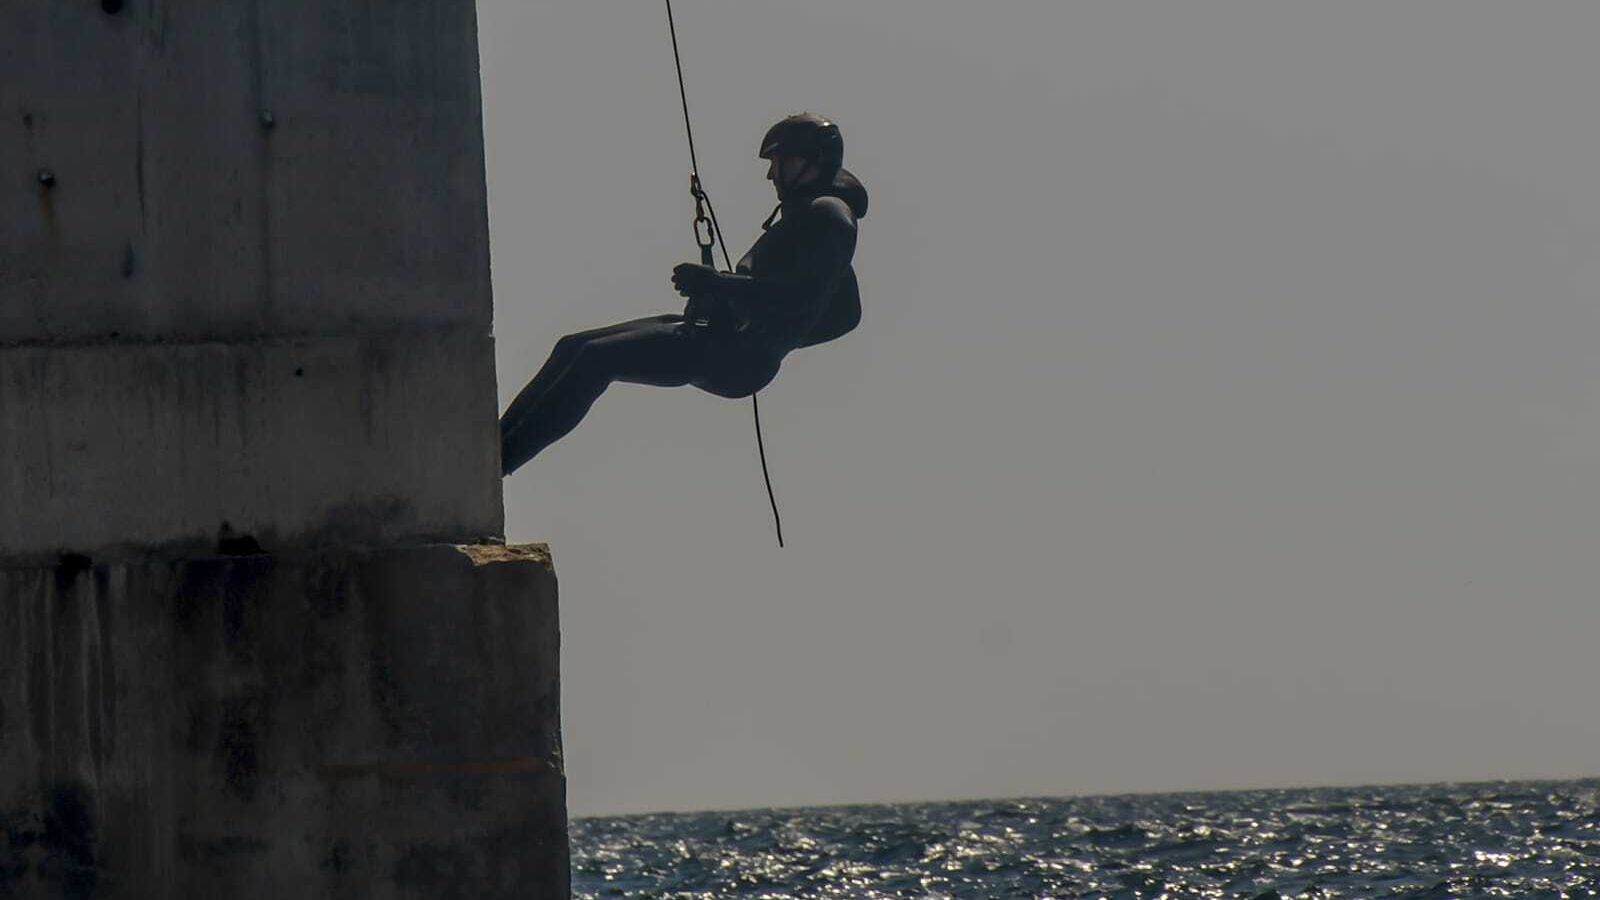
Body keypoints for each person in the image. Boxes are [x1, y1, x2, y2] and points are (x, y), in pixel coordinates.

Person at [498, 113, 868, 475]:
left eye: (778, 162)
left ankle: (495, 465)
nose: (771, 174)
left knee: (595, 360)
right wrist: (726, 300)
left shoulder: (830, 217)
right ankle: (490, 448)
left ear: (810, 163)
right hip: (721, 337)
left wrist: (765, 330)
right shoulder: (805, 216)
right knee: (572, 347)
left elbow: (801, 296)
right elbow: (845, 313)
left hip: (737, 358)